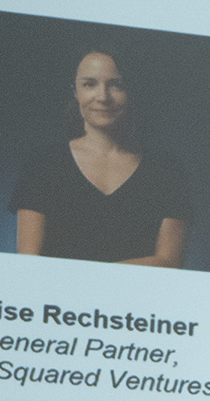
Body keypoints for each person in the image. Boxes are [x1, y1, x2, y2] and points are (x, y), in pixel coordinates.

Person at [11, 49, 191, 267]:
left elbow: (169, 262)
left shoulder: (167, 172)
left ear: (131, 91)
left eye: (117, 85)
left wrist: (91, 279)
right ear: (76, 92)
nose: (103, 97)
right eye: (89, 84)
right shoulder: (42, 165)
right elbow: (28, 260)